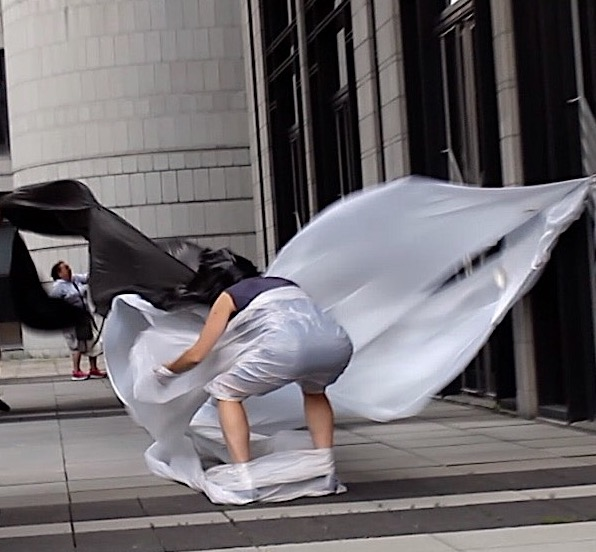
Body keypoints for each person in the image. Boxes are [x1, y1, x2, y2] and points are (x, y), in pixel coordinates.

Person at [154, 275, 353, 465]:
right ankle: (325, 462)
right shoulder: (285, 284)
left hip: (288, 345)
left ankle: (244, 471)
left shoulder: (229, 296)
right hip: (337, 345)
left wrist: (166, 372)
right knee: (315, 392)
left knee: (226, 391)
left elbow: (196, 355)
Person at [50, 261, 107, 381]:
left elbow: (88, 278)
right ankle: (76, 370)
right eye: (66, 268)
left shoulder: (75, 279)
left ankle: (93, 368)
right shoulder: (58, 287)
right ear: (59, 273)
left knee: (91, 340)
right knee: (76, 344)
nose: (69, 269)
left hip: (84, 316)